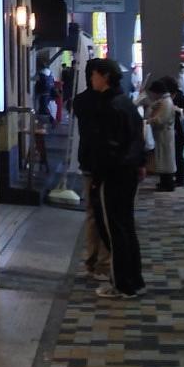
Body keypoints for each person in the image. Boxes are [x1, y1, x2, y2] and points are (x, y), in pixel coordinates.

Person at [80, 57, 147, 299]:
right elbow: (137, 138)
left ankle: (122, 284)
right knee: (126, 226)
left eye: (94, 75)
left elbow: (106, 147)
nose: (91, 79)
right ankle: (134, 280)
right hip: (127, 173)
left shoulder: (109, 107)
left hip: (113, 175)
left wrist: (98, 176)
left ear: (105, 76)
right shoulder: (125, 103)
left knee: (114, 229)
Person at [73, 59, 111, 280]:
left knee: (91, 213)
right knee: (105, 212)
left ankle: (91, 259)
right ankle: (104, 263)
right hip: (104, 162)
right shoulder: (107, 101)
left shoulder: (79, 101)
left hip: (86, 160)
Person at [143, 76, 179, 192]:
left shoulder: (166, 103)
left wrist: (150, 121)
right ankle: (164, 181)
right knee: (163, 159)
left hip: (165, 135)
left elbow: (161, 119)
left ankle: (168, 183)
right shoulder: (163, 102)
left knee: (166, 160)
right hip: (162, 135)